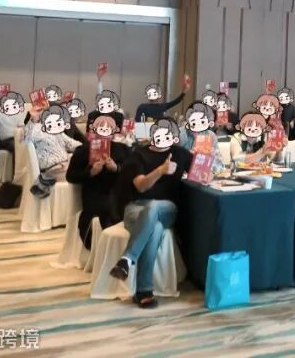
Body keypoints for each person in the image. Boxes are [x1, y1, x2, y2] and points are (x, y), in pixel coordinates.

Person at [110, 118, 192, 309]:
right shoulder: (138, 155)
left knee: (154, 207)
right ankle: (144, 291)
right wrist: (160, 171)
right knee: (154, 228)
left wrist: (207, 164)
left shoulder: (180, 153)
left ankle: (127, 259)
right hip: (136, 208)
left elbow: (202, 172)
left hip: (166, 208)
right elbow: (141, 186)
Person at [66, 114, 129, 248]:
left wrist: (116, 168)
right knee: (106, 209)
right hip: (95, 195)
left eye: (108, 129)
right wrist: (90, 173)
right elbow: (70, 176)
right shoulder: (83, 150)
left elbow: (132, 172)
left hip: (119, 194)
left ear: (115, 131)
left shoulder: (123, 149)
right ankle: (106, 248)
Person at [27, 104, 83, 198]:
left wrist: (89, 147)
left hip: (66, 166)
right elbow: (27, 138)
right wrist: (33, 119)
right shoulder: (36, 130)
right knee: (84, 175)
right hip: (52, 170)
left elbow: (71, 143)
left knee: (91, 171)